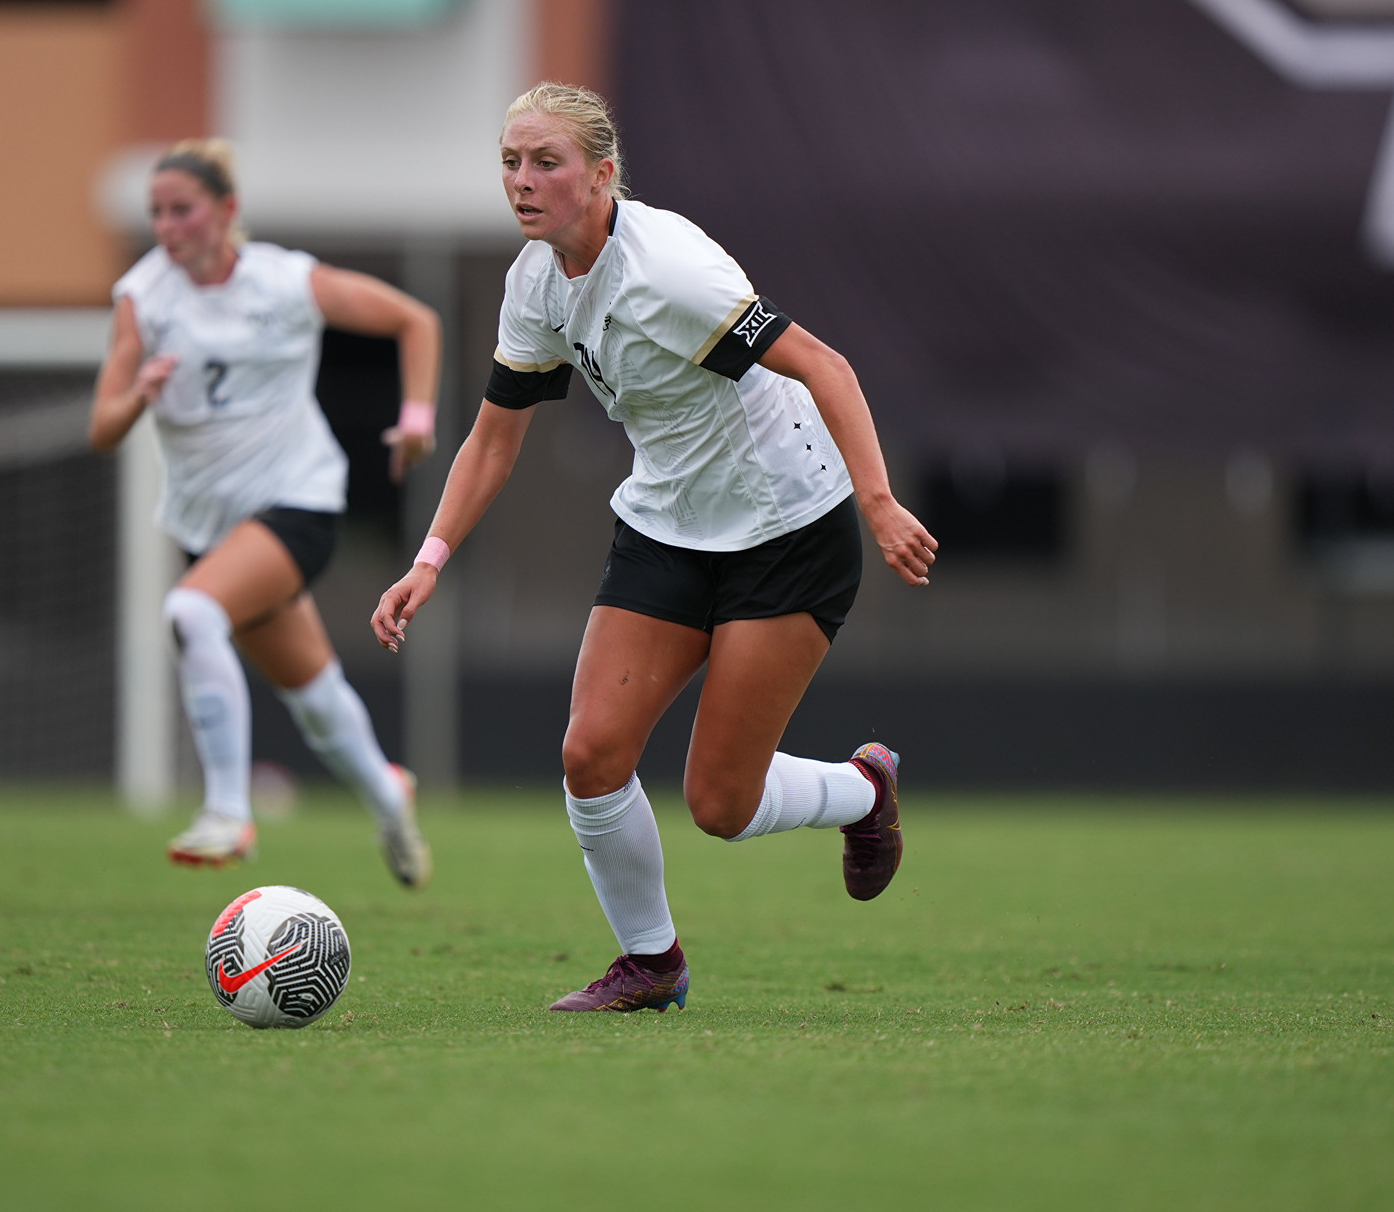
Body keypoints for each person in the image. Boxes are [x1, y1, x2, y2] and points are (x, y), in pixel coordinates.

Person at [372, 83, 938, 1012]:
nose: (522, 181)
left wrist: (877, 503)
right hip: (665, 525)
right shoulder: (534, 280)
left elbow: (824, 365)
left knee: (719, 803)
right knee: (591, 754)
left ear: (601, 176)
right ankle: (652, 964)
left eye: (545, 162)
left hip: (785, 529)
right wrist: (427, 562)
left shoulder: (668, 270)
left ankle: (863, 791)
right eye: (510, 162)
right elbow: (494, 436)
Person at [91, 140, 439, 884]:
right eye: (156, 212)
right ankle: (388, 795)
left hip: (298, 503)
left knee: (191, 613)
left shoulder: (285, 282)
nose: (167, 226)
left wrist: (415, 416)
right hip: (208, 528)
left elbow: (416, 321)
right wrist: (137, 395)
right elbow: (101, 427)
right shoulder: (142, 297)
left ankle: (225, 811)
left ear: (226, 212)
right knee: (314, 699)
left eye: (182, 210)